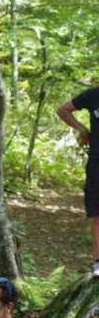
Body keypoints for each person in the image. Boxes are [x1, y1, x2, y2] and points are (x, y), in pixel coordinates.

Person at [56, 87, 99, 278]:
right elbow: (63, 109)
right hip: (97, 162)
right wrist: (81, 129)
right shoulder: (93, 94)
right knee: (98, 215)